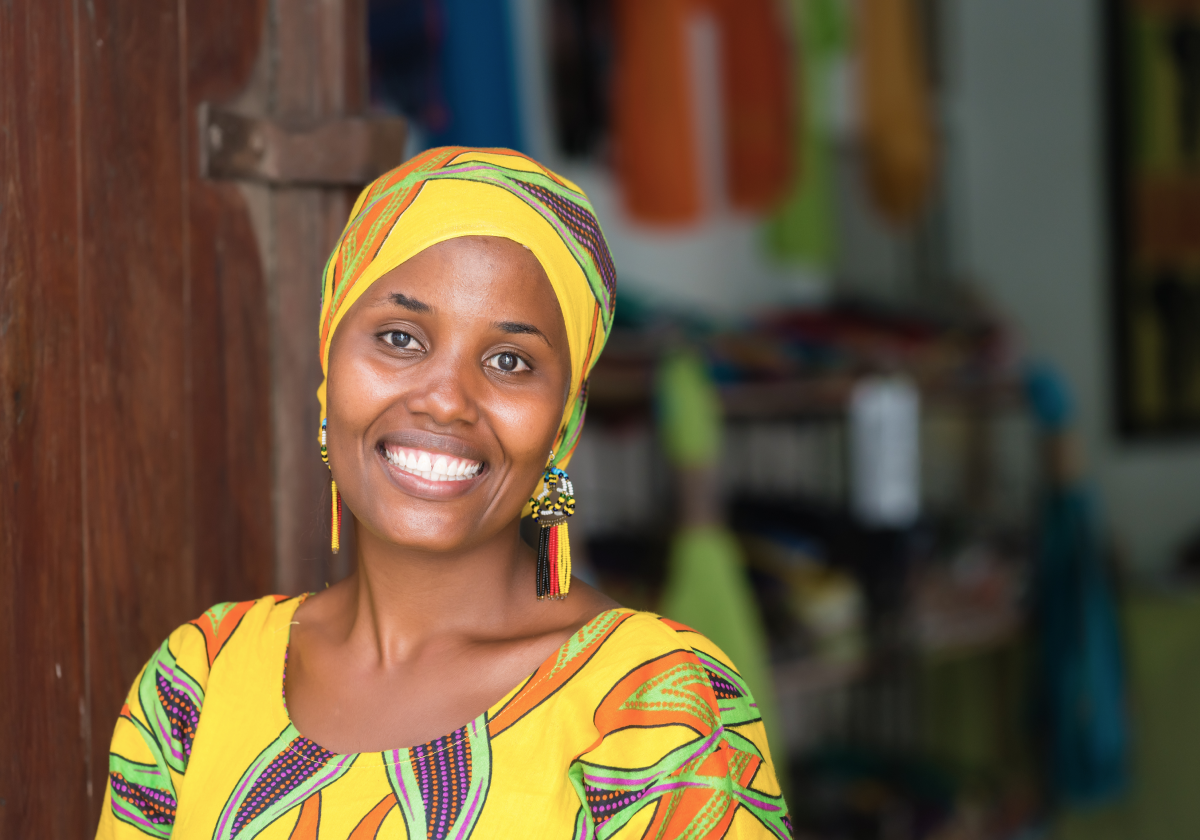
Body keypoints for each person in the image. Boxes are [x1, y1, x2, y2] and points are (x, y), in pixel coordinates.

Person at [96, 147, 792, 839]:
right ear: (328, 373)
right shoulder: (199, 681)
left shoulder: (653, 711)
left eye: (510, 361)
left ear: (565, 425)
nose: (446, 401)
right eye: (400, 338)